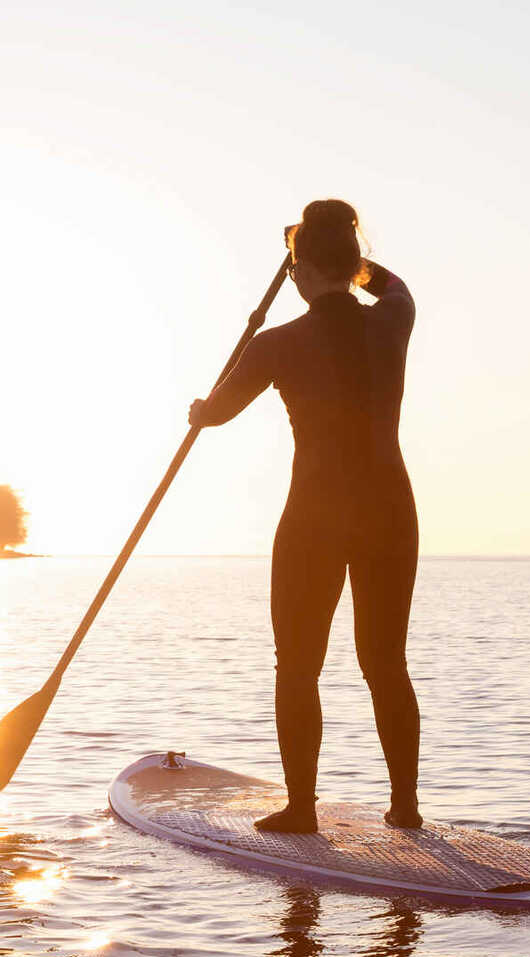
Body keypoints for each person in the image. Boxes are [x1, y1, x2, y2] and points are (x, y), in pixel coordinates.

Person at [189, 199, 421, 834]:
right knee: (386, 663)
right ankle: (404, 807)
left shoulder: (277, 343)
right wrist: (337, 258)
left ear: (300, 269)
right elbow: (389, 284)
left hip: (317, 514)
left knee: (296, 663)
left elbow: (217, 414)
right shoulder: (393, 318)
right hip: (389, 510)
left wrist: (198, 410)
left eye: (295, 266)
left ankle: (301, 809)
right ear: (352, 261)